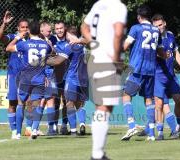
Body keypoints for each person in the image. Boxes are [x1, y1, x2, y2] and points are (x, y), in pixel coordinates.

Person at [81, 0, 127, 159]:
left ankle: (99, 153)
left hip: (96, 59)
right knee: (103, 107)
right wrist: (115, 59)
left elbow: (83, 27)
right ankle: (97, 154)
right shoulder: (118, 7)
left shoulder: (98, 4)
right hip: (108, 61)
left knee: (104, 107)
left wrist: (95, 46)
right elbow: (119, 32)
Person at [121, 5, 167, 141]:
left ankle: (131, 125)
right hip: (151, 70)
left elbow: (125, 46)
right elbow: (160, 52)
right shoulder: (156, 30)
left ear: (139, 16)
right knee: (148, 100)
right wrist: (166, 55)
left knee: (126, 95)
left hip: (137, 68)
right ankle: (152, 134)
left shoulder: (136, 28)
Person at [6, 20, 52, 139]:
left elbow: (8, 48)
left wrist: (17, 38)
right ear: (39, 31)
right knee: (37, 105)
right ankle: (35, 129)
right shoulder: (45, 45)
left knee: (21, 104)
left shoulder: (24, 44)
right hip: (39, 78)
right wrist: (45, 40)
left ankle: (16, 133)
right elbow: (53, 51)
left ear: (29, 31)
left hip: (26, 78)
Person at [152, 13, 180, 139]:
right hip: (158, 76)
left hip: (171, 76)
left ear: (165, 23)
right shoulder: (153, 38)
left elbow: (176, 52)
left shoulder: (170, 35)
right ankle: (162, 132)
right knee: (160, 104)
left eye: (160, 24)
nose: (159, 27)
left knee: (179, 100)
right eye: (156, 26)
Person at [46, 25, 88, 136]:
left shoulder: (70, 46)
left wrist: (44, 60)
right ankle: (82, 123)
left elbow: (58, 62)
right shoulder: (84, 46)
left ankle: (73, 131)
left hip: (72, 78)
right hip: (84, 79)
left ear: (69, 34)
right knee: (79, 104)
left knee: (69, 103)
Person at [0, 11, 29, 139]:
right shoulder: (13, 37)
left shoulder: (31, 40)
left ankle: (23, 129)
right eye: (22, 27)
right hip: (13, 75)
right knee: (12, 103)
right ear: (18, 28)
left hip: (26, 76)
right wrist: (4, 24)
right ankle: (13, 131)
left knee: (25, 103)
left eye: (27, 27)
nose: (25, 29)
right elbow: (0, 37)